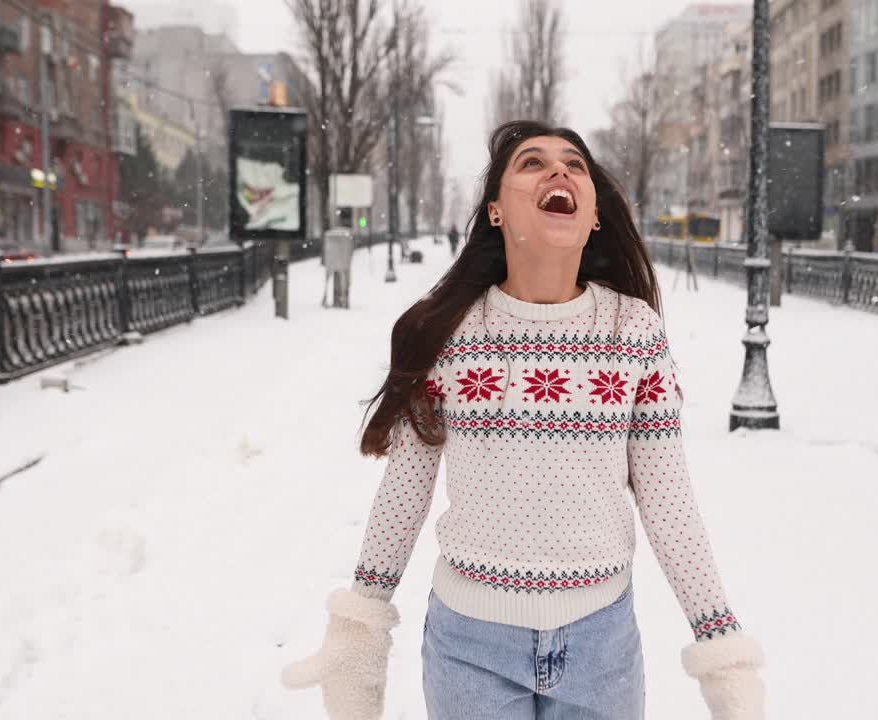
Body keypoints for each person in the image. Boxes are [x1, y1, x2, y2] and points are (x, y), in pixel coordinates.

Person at [281, 121, 764, 720]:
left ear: (592, 216)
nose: (559, 172)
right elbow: (405, 487)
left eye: (575, 165)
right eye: (531, 163)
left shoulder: (633, 331)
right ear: (495, 214)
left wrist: (720, 641)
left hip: (602, 646)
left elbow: (668, 497)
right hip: (469, 649)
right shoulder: (449, 333)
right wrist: (360, 627)